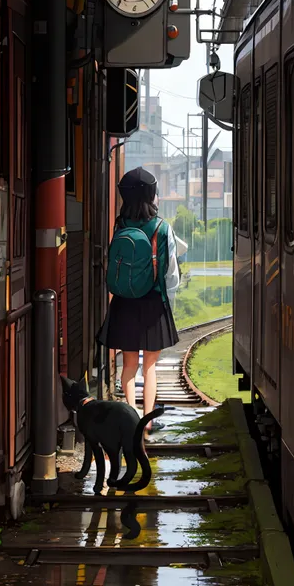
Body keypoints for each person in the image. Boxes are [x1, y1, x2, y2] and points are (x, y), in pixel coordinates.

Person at [97, 167, 180, 433]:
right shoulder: (162, 228)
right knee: (150, 367)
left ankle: (130, 420)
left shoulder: (119, 226)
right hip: (153, 302)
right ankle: (148, 422)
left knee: (129, 365)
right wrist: (169, 302)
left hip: (124, 302)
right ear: (152, 194)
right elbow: (171, 273)